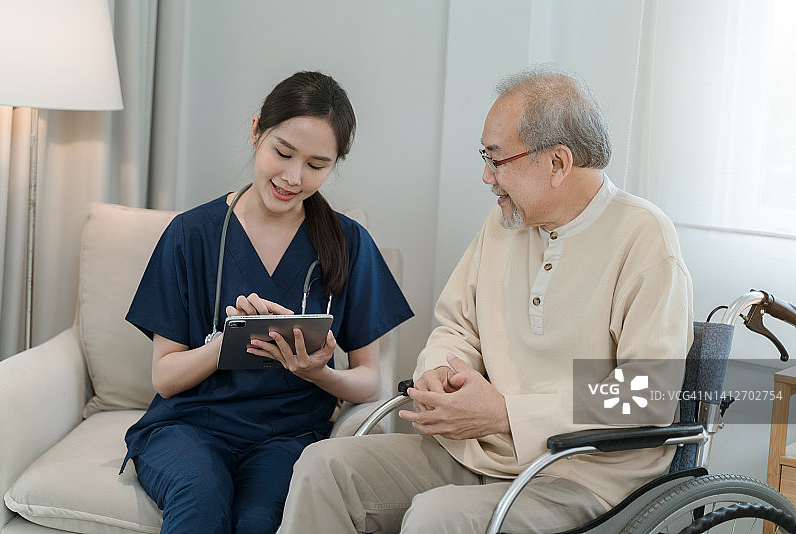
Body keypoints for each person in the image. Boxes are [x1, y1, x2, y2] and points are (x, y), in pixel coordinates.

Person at [278, 66, 693, 533]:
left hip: (582, 477)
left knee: (438, 518)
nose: (485, 176)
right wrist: (439, 371)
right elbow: (457, 326)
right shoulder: (505, 223)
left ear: (557, 163)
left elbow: (647, 393)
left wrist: (507, 413)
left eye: (496, 160)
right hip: (479, 452)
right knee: (323, 468)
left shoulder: (644, 237)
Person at [120, 71, 413, 534]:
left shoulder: (349, 244)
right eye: (282, 152)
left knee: (261, 520)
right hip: (190, 428)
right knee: (201, 503)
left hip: (288, 436)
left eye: (317, 165)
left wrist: (318, 372)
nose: (293, 177)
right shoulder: (192, 235)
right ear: (257, 131)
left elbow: (370, 382)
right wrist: (227, 343)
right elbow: (165, 378)